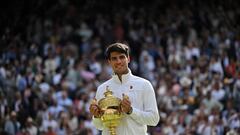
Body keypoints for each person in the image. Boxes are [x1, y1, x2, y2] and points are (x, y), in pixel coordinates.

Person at [89, 43, 159, 135]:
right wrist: (96, 116)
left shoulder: (144, 85)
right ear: (109, 62)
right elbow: (100, 126)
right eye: (114, 58)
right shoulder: (101, 89)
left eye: (122, 57)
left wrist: (130, 111)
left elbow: (154, 119)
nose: (118, 61)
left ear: (128, 59)